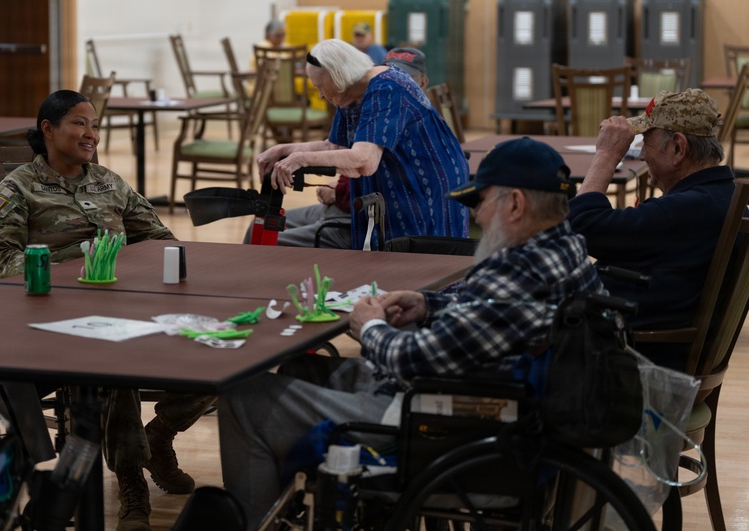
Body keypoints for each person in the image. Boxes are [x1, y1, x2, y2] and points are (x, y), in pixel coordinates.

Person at [220, 137, 604, 525]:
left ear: (516, 204)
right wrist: (428, 304)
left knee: (244, 397)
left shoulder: (515, 270)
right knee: (300, 371)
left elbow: (413, 359)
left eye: (480, 202)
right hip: (499, 421)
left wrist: (369, 327)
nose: (476, 217)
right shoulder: (569, 255)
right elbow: (498, 319)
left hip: (452, 432)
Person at [0, 89, 215, 531]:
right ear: (48, 129)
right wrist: (77, 258)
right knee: (113, 365)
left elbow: (159, 238)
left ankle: (160, 434)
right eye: (79, 123)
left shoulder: (108, 181)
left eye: (95, 125)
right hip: (51, 317)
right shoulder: (17, 188)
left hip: (126, 303)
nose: (91, 134)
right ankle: (131, 486)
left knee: (223, 343)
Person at [567, 88, 734, 371]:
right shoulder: (722, 198)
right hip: (657, 358)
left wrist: (606, 156)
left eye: (647, 141)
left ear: (678, 148)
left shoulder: (686, 211)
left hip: (634, 367)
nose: (642, 155)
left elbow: (580, 227)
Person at [258, 39, 469, 251]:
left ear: (338, 75)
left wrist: (301, 159)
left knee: (416, 261)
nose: (321, 94)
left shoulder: (387, 88)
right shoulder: (350, 94)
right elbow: (335, 148)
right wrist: (282, 150)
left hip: (425, 185)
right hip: (398, 184)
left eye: (320, 86)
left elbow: (364, 161)